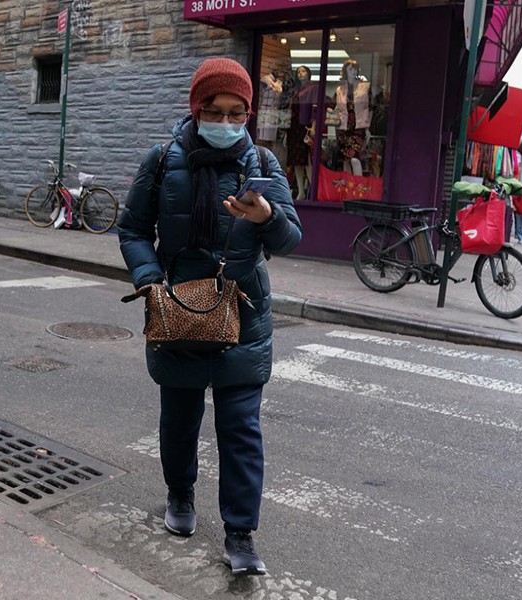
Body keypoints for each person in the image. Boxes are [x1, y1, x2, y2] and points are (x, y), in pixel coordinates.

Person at [117, 57, 303, 576]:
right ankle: (180, 494)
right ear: (196, 108)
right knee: (179, 420)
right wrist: (149, 278)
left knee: (241, 429)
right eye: (214, 111)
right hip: (178, 308)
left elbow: (291, 239)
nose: (225, 122)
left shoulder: (263, 164)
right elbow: (133, 229)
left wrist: (267, 216)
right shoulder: (162, 160)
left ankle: (240, 534)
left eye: (236, 113)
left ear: (248, 113)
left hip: (244, 313)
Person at [333, 59, 371, 177]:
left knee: (355, 158)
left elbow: (370, 108)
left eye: (355, 69)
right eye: (350, 69)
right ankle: (348, 186)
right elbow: (333, 106)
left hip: (358, 126)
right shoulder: (340, 89)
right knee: (346, 160)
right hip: (343, 127)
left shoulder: (365, 87)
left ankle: (358, 185)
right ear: (345, 71)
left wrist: (368, 128)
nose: (353, 71)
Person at [286, 65, 318, 200]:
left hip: (305, 125)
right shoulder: (296, 90)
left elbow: (315, 108)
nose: (301, 74)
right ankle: (301, 191)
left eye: (303, 71)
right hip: (294, 127)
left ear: (308, 73)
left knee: (307, 159)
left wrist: (314, 126)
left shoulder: (313, 88)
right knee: (296, 160)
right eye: (298, 72)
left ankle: (314, 190)